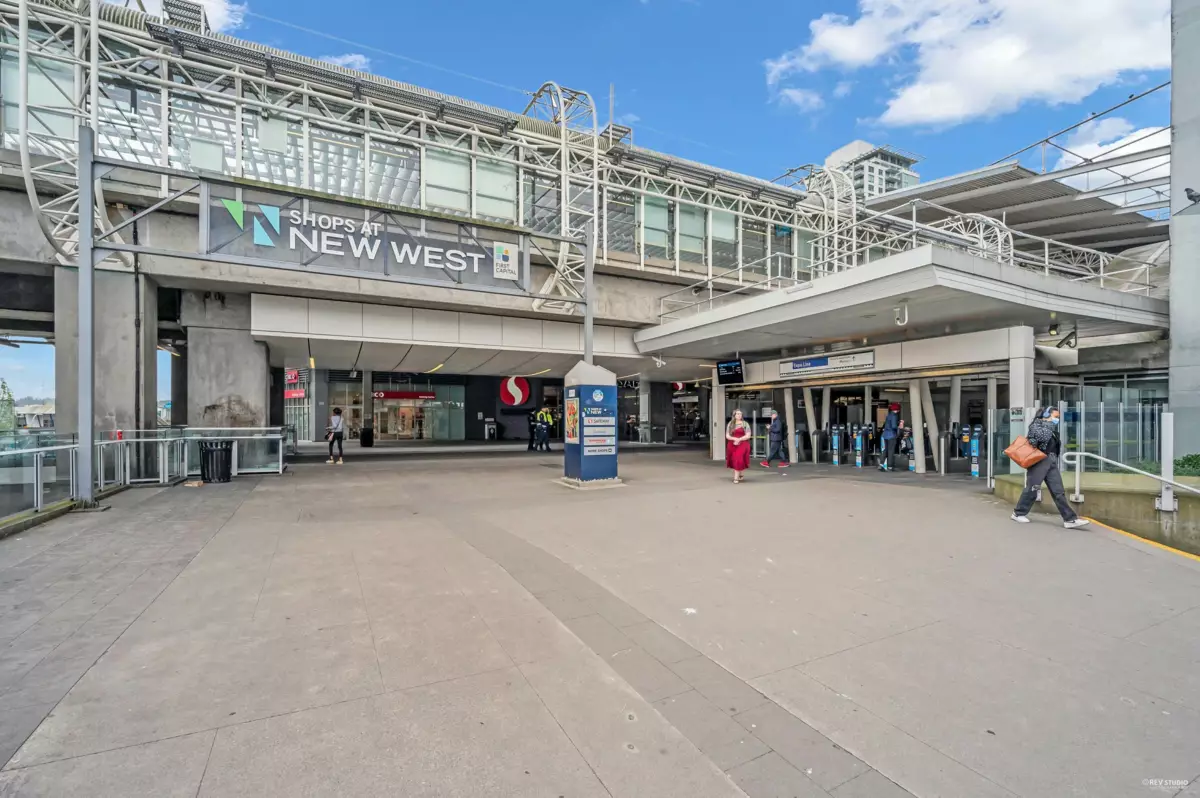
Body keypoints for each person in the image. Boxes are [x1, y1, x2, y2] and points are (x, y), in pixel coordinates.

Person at [1012, 407, 1090, 529]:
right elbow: (1041, 438)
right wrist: (1048, 424)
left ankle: (1070, 519)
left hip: (1051, 460)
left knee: (1058, 491)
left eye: (1058, 417)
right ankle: (1018, 513)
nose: (1057, 419)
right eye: (1055, 416)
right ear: (1047, 415)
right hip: (1038, 460)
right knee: (1032, 488)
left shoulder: (1051, 429)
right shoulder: (1035, 426)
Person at [725, 409, 752, 483]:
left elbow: (748, 435)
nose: (739, 415)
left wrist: (739, 439)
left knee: (738, 458)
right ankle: (740, 474)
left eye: (740, 414)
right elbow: (727, 435)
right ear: (734, 415)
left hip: (743, 444)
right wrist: (734, 439)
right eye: (737, 414)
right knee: (734, 460)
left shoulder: (745, 424)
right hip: (732, 444)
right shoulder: (730, 424)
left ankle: (736, 478)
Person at [879, 403, 900, 471]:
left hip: (885, 435)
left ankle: (881, 464)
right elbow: (894, 426)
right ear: (897, 409)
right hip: (891, 435)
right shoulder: (894, 415)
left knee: (885, 450)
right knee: (891, 451)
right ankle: (890, 466)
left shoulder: (889, 415)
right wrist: (899, 426)